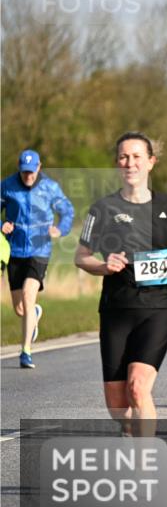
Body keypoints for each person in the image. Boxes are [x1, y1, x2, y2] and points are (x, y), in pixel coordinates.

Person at [75, 132, 167, 436]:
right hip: (116, 309)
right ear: (117, 163)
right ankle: (130, 434)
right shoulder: (102, 209)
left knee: (138, 387)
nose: (130, 162)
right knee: (118, 406)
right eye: (124, 157)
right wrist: (103, 266)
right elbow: (81, 256)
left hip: (157, 308)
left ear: (151, 162)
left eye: (137, 156)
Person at [1, 149, 74, 369]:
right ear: (19, 168)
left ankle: (25, 352)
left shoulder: (50, 188)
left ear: (39, 167)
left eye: (32, 172)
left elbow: (67, 211)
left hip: (40, 249)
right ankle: (34, 313)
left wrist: (60, 229)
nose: (28, 177)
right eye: (24, 173)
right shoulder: (7, 186)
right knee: (20, 308)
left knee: (28, 293)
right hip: (14, 251)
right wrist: (1, 226)